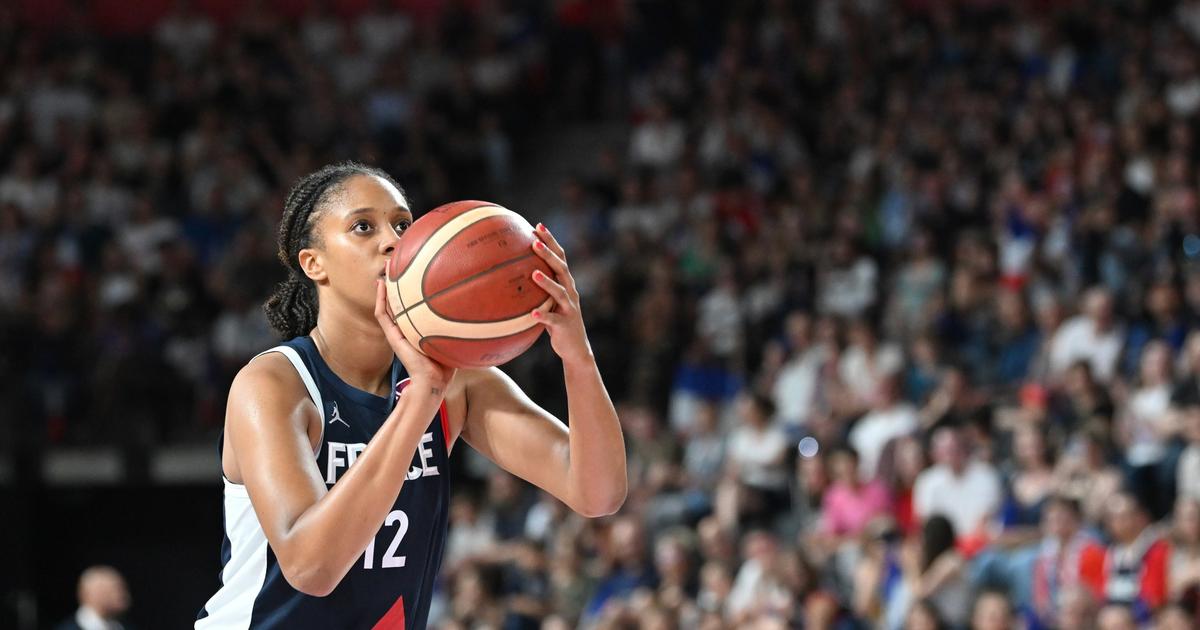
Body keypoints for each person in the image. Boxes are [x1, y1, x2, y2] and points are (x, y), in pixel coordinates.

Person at [195, 163, 627, 628]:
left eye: (403, 224)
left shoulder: (458, 380)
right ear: (313, 263)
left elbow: (597, 492)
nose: (392, 240)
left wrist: (577, 356)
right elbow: (311, 567)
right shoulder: (274, 385)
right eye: (363, 227)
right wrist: (420, 399)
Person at [55, 565, 132, 630]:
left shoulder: (123, 626)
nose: (123, 595)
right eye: (114, 589)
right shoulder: (68, 628)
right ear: (92, 594)